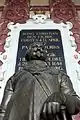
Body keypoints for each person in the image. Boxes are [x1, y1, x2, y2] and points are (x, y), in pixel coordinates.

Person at [0, 42, 80, 120]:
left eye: (42, 48)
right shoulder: (15, 78)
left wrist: (60, 97)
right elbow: (3, 110)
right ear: (27, 53)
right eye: (34, 47)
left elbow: (76, 103)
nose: (38, 48)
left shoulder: (59, 75)